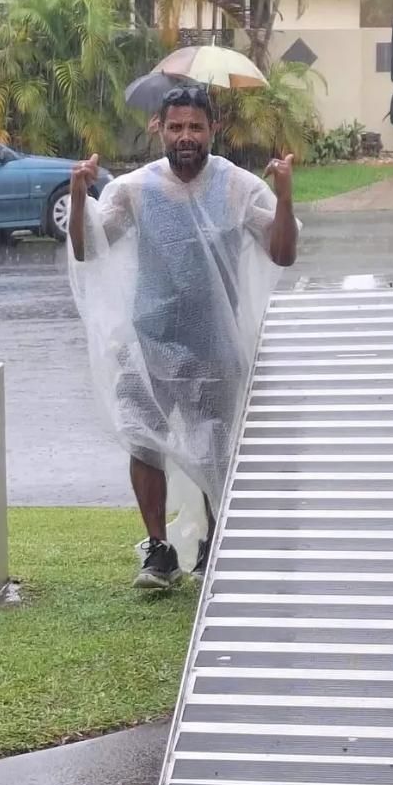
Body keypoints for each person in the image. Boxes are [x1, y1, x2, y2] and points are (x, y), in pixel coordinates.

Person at [68, 85, 298, 590]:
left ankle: (218, 546)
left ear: (213, 129)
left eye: (196, 126)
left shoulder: (239, 187)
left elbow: (281, 253)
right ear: (159, 129)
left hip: (213, 345)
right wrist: (79, 196)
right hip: (148, 339)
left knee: (215, 445)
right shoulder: (133, 189)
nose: (186, 137)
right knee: (143, 440)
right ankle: (158, 551)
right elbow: (89, 251)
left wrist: (283, 196)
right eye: (176, 127)